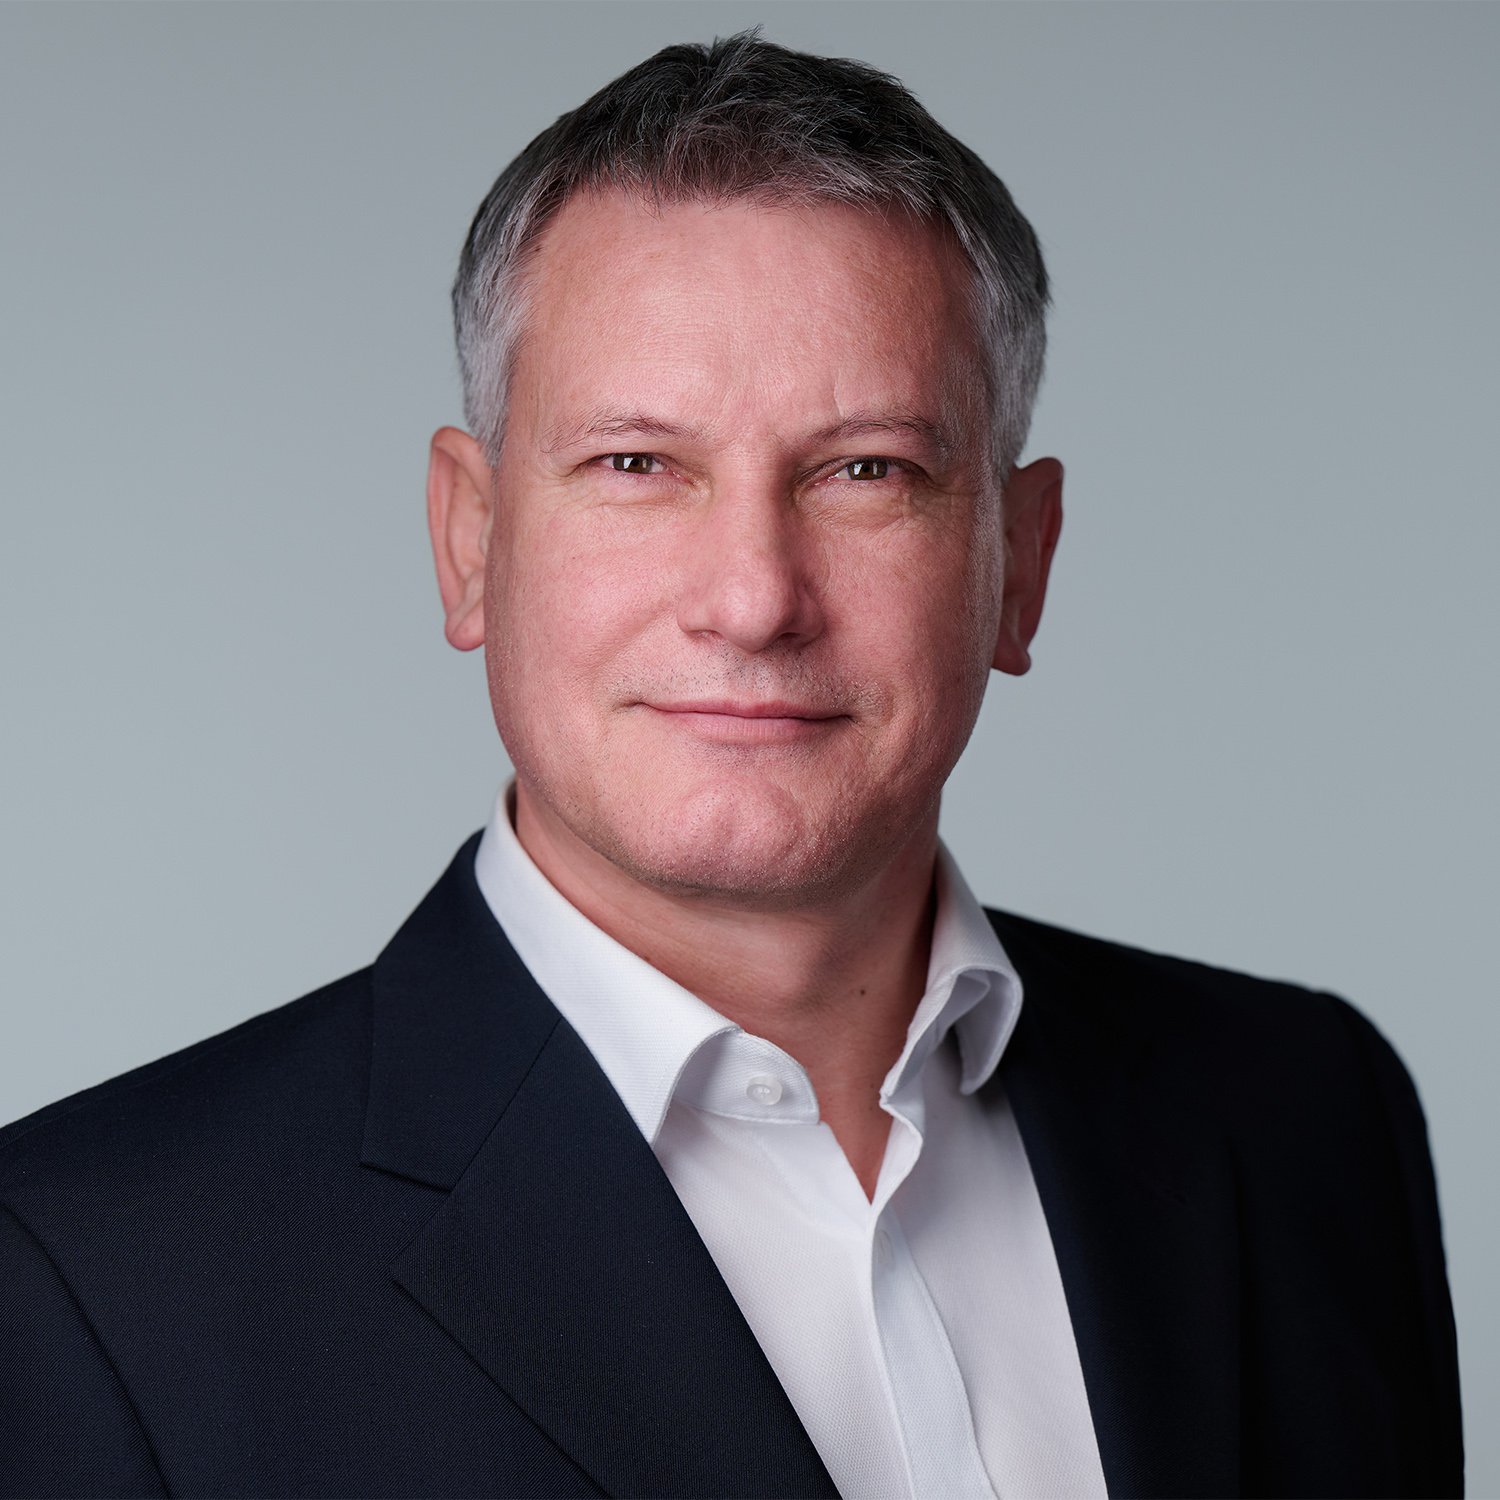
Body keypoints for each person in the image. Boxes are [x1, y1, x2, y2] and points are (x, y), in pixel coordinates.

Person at [0, 31, 1462, 1500]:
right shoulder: (90, 1277)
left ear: (1020, 565)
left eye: (867, 470)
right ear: (471, 541)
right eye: (637, 465)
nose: (755, 599)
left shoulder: (1306, 1116)